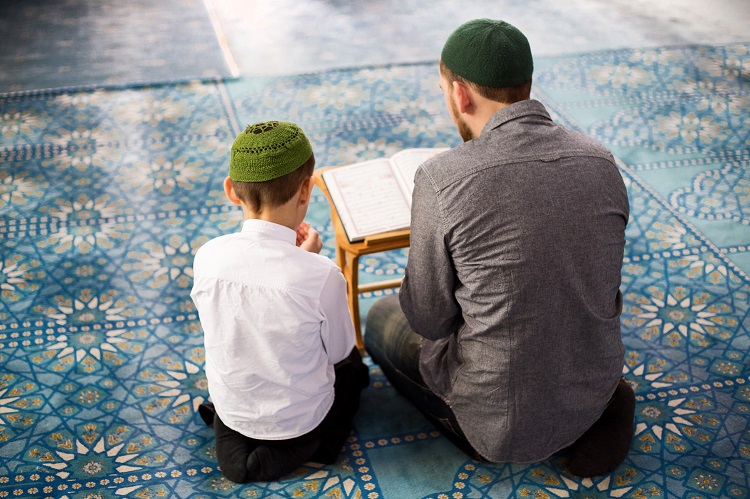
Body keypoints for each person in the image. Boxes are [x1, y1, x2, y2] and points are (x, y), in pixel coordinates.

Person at [365, 19, 634, 476]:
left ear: (460, 95)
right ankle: (600, 411)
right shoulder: (600, 159)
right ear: (525, 85)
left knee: (381, 317)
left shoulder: (441, 179)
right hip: (592, 383)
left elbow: (429, 319)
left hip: (496, 425)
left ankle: (497, 429)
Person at [191, 121, 369, 483]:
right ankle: (308, 447)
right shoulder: (321, 275)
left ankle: (241, 448)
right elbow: (338, 351)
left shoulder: (207, 258)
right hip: (299, 423)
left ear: (231, 191)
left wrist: (303, 261)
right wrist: (311, 261)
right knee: (353, 369)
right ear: (306, 190)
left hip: (235, 413)